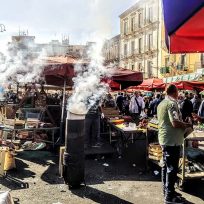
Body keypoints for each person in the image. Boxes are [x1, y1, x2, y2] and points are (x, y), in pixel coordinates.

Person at [157, 84, 192, 204]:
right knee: (171, 169)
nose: (179, 94)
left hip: (165, 138)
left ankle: (167, 190)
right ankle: (169, 196)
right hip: (172, 140)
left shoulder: (162, 103)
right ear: (175, 92)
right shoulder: (172, 104)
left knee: (166, 167)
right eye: (178, 92)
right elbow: (175, 123)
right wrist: (187, 125)